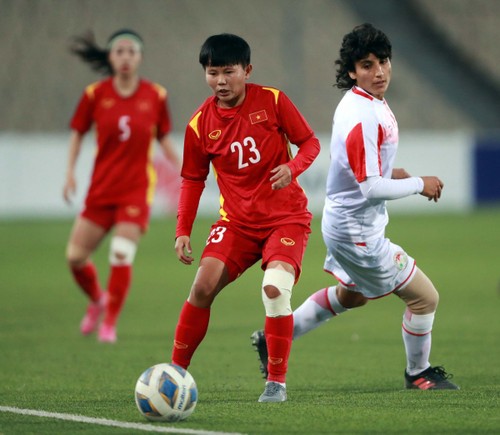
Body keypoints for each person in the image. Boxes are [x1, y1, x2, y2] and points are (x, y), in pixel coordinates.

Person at [251, 23, 459, 390]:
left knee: (353, 296)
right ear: (351, 71)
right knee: (426, 298)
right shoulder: (363, 114)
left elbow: (357, 168)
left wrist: (394, 172)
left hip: (344, 221)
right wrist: (417, 185)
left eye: (383, 61)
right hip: (358, 231)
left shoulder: (362, 102)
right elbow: (371, 188)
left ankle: (273, 339)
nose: (378, 72)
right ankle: (418, 374)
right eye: (366, 65)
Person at [171, 33, 320, 402]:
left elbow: (311, 143)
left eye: (228, 72)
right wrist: (182, 230)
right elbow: (192, 179)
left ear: (247, 70)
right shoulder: (199, 124)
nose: (220, 81)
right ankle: (173, 375)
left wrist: (293, 168)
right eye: (212, 72)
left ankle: (276, 383)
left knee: (274, 290)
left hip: (285, 217)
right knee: (201, 288)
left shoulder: (272, 100)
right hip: (236, 223)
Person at [63, 29, 179, 343]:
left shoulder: (155, 95)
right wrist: (70, 172)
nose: (125, 57)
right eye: (119, 51)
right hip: (101, 189)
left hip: (136, 191)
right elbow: (77, 133)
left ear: (140, 58)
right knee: (75, 257)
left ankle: (109, 324)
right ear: (111, 57)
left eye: (132, 51)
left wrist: (184, 171)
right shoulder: (94, 94)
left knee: (120, 252)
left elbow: (163, 137)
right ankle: (98, 300)